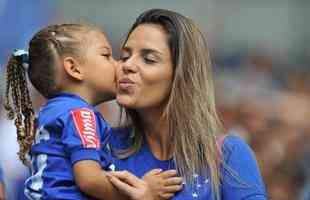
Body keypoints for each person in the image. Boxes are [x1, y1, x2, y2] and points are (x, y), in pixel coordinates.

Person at [3, 23, 181, 200]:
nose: (118, 64)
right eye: (106, 55)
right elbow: (89, 179)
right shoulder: (80, 114)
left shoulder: (53, 111)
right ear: (74, 68)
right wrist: (141, 193)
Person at [107, 9, 268, 200]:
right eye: (124, 56)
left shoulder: (228, 156)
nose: (127, 65)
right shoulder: (104, 148)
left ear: (182, 76)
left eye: (148, 59)